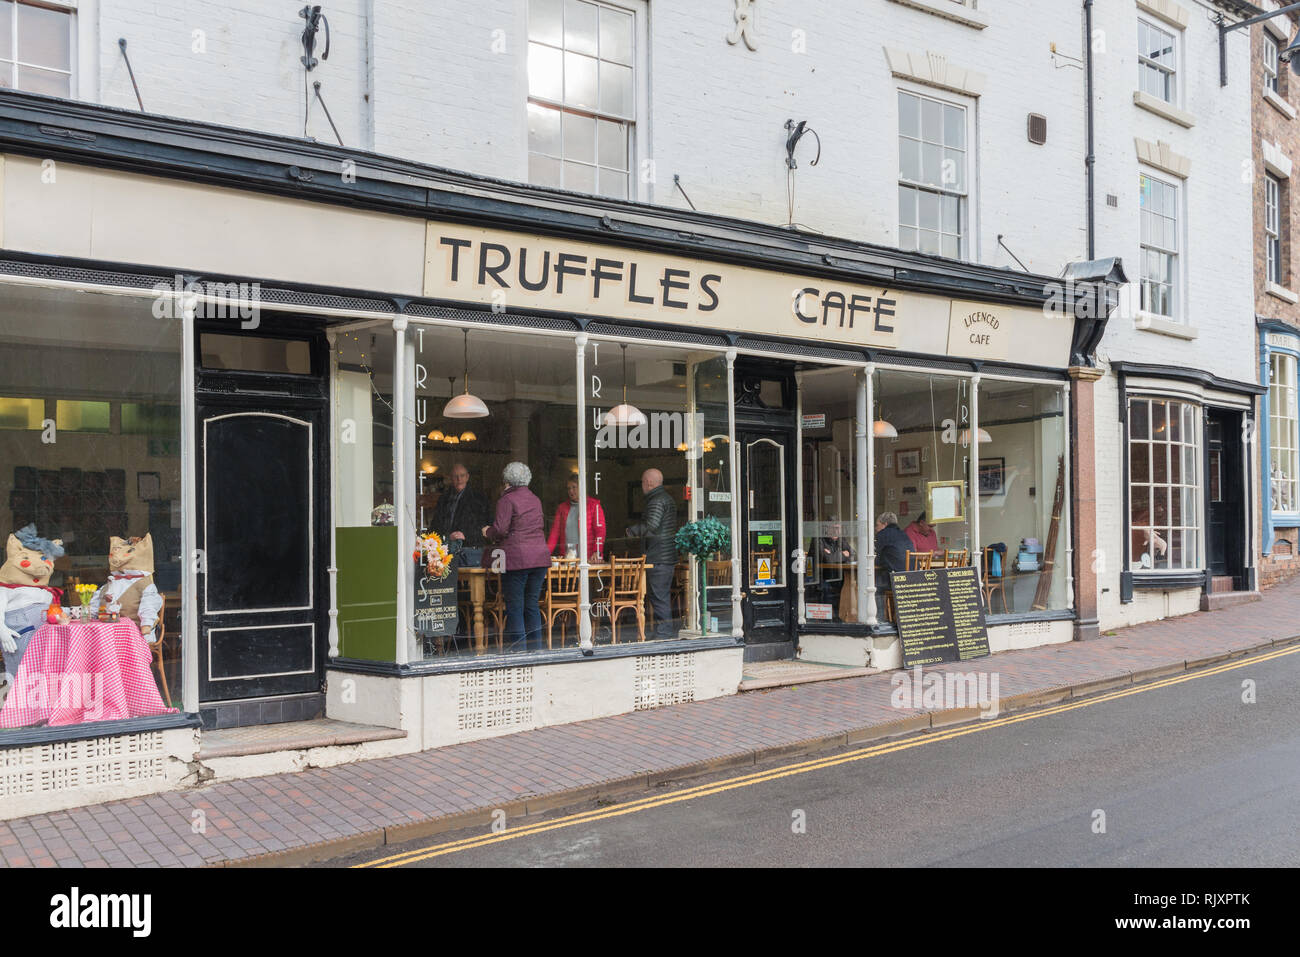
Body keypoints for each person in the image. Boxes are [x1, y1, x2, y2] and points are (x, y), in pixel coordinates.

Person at [481, 462, 551, 652]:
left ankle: (519, 653)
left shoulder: (507, 499)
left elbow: (501, 530)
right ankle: (536, 650)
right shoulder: (535, 499)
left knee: (515, 608)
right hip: (539, 558)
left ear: (506, 480)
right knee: (532, 605)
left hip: (517, 560)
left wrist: (488, 532)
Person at [626, 468, 678, 638]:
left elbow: (652, 526)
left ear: (648, 483)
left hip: (658, 557)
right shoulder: (665, 498)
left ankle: (664, 633)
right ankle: (663, 631)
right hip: (665, 556)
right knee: (660, 596)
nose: (642, 485)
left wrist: (632, 531)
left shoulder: (657, 501)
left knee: (658, 596)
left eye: (642, 482)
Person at [432, 463, 490, 550]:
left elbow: (486, 525)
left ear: (467, 477)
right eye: (455, 476)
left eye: (462, 476)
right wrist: (445, 537)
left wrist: (466, 535)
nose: (459, 479)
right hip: (445, 546)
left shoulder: (478, 498)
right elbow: (436, 524)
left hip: (469, 548)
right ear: (451, 478)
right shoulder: (444, 498)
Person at [547, 475, 607, 560]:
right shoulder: (562, 508)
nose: (571, 491)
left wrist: (597, 551)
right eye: (568, 488)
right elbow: (554, 534)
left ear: (582, 487)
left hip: (589, 558)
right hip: (568, 558)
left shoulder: (594, 505)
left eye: (574, 487)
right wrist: (545, 555)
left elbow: (600, 532)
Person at [874, 511, 913, 619]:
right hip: (912, 579)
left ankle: (880, 619)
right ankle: (902, 618)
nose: (876, 528)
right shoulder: (904, 535)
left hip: (896, 579)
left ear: (885, 524)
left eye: (877, 525)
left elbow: (878, 559)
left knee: (874, 586)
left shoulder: (882, 535)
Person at [814, 520, 855, 616]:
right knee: (827, 590)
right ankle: (827, 617)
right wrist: (843, 555)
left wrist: (833, 555)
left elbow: (854, 554)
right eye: (835, 528)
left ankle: (842, 615)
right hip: (822, 576)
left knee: (849, 587)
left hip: (838, 576)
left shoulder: (841, 540)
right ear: (828, 529)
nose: (837, 532)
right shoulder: (819, 540)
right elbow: (827, 559)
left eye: (839, 529)